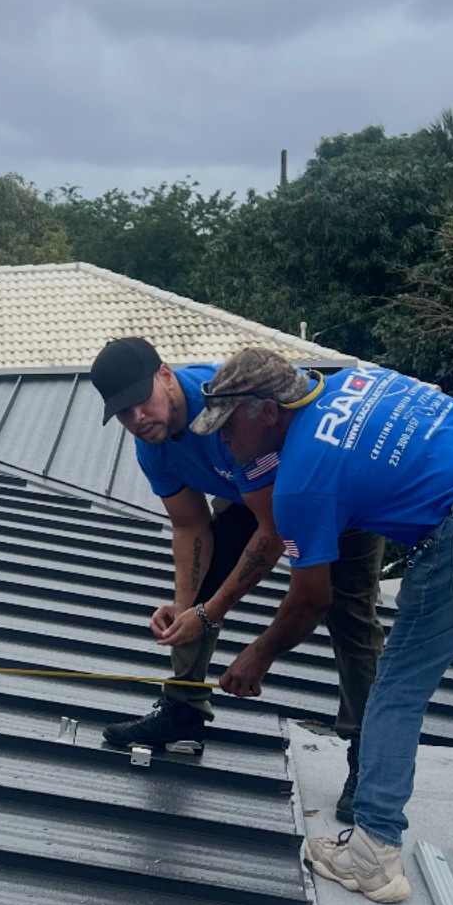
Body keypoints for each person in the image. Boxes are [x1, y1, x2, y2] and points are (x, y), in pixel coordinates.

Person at [190, 345, 453, 904]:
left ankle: (372, 853)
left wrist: (258, 653)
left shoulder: (302, 479)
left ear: (265, 410)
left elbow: (311, 599)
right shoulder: (361, 380)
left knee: (397, 687)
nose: (222, 441)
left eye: (226, 427)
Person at [90, 337, 384, 806]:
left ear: (166, 375)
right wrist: (186, 606)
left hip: (332, 485)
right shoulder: (154, 446)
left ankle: (370, 760)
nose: (137, 419)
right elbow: (190, 524)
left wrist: (209, 614)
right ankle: (183, 712)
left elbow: (271, 534)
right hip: (254, 492)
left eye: (141, 403)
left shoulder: (229, 408)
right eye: (123, 414)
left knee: (348, 615)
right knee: (199, 585)